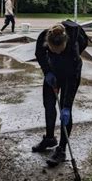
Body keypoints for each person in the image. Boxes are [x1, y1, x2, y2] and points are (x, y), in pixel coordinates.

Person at [33, 20, 88, 167]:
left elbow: (73, 77)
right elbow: (39, 53)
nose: (57, 52)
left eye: (60, 50)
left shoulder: (73, 48)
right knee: (49, 104)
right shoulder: (44, 36)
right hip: (53, 71)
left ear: (66, 43)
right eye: (53, 49)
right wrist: (48, 72)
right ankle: (50, 138)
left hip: (70, 73)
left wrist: (67, 106)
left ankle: (62, 149)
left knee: (65, 110)